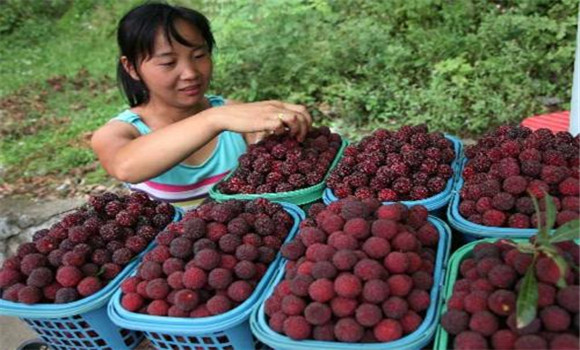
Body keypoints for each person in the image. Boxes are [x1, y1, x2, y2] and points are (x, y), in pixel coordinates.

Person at [91, 2, 312, 211]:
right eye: (168, 62)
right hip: (164, 249)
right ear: (131, 67)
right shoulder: (121, 132)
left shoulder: (234, 117)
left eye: (199, 55)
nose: (190, 73)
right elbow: (126, 166)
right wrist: (212, 120)